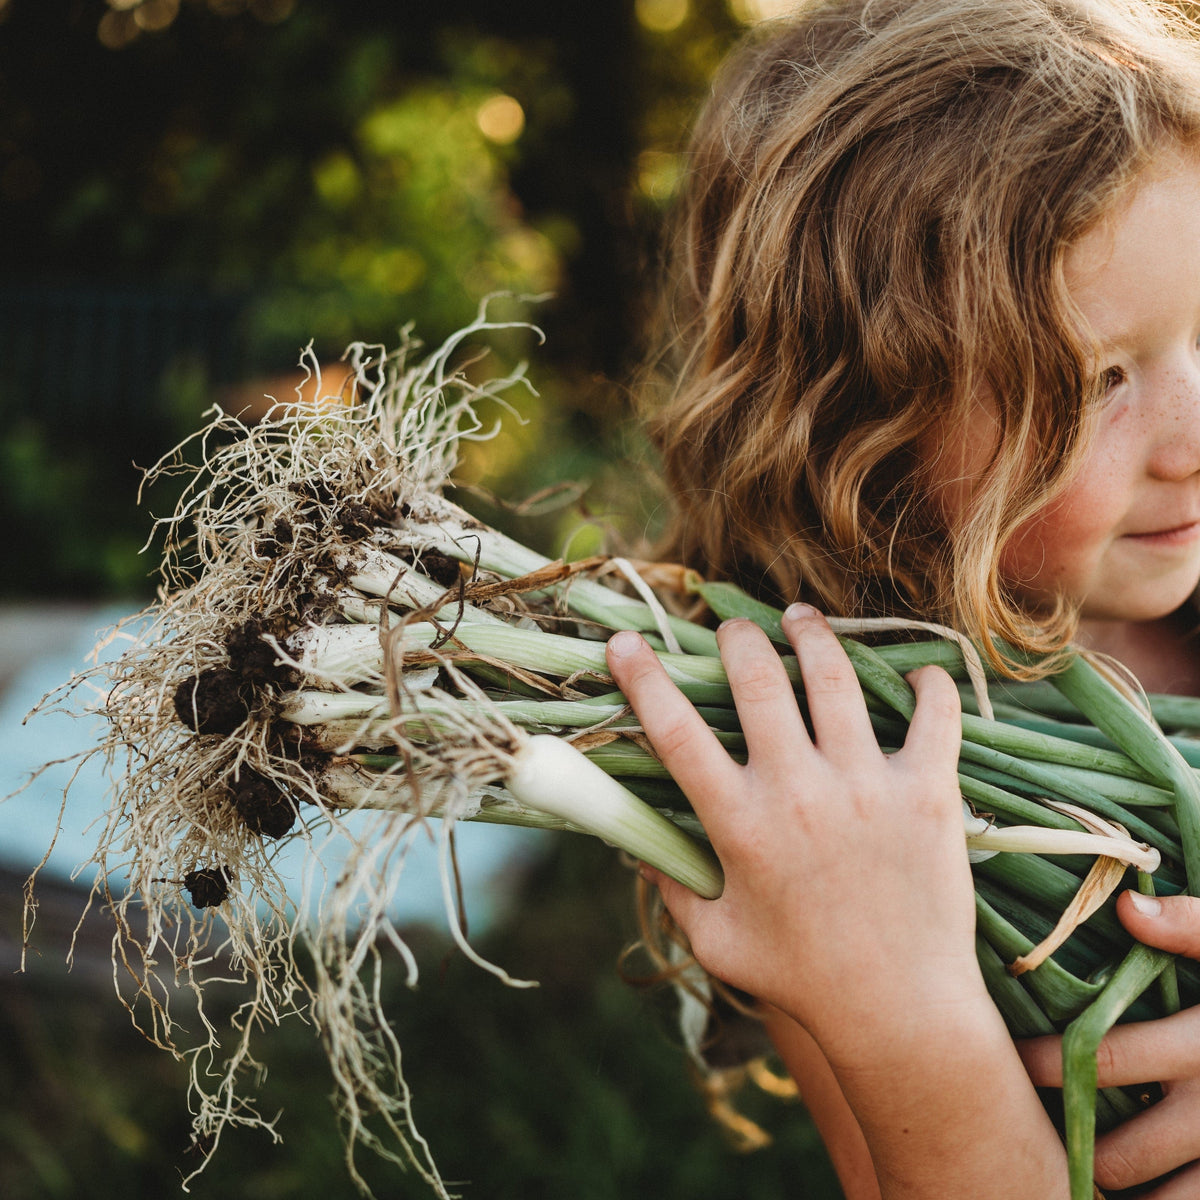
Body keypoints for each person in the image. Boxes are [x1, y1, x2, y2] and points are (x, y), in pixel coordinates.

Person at [602, 0, 1200, 1196]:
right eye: (1096, 383)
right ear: (862, 429)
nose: (1191, 437)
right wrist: (901, 1012)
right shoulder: (840, 799)